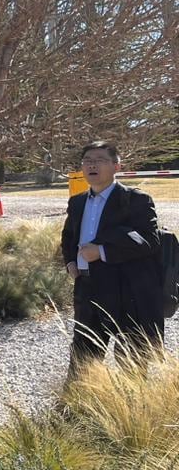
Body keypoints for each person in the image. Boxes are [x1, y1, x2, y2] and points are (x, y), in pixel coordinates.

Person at [61, 140, 165, 372]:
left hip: (126, 289)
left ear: (117, 166)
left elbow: (150, 240)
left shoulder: (136, 200)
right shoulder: (77, 202)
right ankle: (80, 403)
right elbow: (69, 236)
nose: (92, 165)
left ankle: (128, 407)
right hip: (87, 288)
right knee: (83, 358)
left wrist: (102, 252)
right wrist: (70, 262)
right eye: (87, 161)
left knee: (132, 361)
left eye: (99, 160)